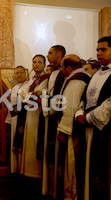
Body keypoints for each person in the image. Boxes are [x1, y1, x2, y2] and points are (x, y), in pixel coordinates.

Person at [75, 36, 111, 200]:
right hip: (88, 128)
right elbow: (85, 97)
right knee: (87, 168)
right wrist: (79, 113)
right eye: (97, 50)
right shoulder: (96, 74)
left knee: (101, 171)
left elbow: (110, 103)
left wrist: (89, 117)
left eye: (103, 49)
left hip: (104, 130)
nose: (98, 53)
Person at [55, 55, 90, 200]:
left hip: (71, 131)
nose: (61, 71)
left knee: (71, 167)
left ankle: (70, 195)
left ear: (68, 68)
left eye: (62, 67)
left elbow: (69, 107)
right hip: (77, 127)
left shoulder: (76, 80)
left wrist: (63, 130)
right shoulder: (84, 76)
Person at [42, 45, 66, 197]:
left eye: (50, 53)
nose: (48, 55)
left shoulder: (64, 72)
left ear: (60, 54)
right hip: (50, 114)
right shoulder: (52, 72)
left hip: (58, 117)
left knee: (57, 154)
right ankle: (50, 188)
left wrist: (51, 109)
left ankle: (57, 189)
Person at [21, 54, 49, 178]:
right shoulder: (32, 79)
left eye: (39, 62)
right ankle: (28, 170)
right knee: (29, 140)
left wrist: (29, 95)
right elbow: (23, 95)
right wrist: (30, 94)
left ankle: (36, 172)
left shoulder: (46, 78)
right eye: (34, 62)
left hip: (39, 113)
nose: (36, 64)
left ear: (44, 64)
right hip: (30, 112)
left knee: (36, 140)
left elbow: (39, 95)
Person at [9, 66, 30, 174]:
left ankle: (23, 168)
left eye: (21, 72)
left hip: (24, 117)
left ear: (25, 74)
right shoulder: (14, 87)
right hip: (14, 118)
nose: (19, 74)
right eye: (17, 73)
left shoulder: (29, 85)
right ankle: (15, 168)